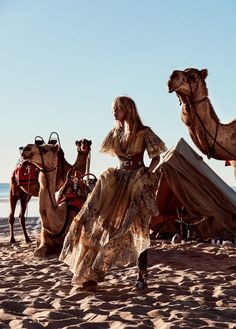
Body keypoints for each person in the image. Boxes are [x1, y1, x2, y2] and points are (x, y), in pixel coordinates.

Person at [59, 96, 167, 291]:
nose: (114, 112)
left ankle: (142, 276)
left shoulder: (144, 132)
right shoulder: (114, 133)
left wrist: (147, 174)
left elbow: (156, 157)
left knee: (139, 229)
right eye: (114, 108)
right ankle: (89, 272)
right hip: (116, 182)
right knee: (96, 222)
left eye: (117, 108)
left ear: (127, 109)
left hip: (136, 182)